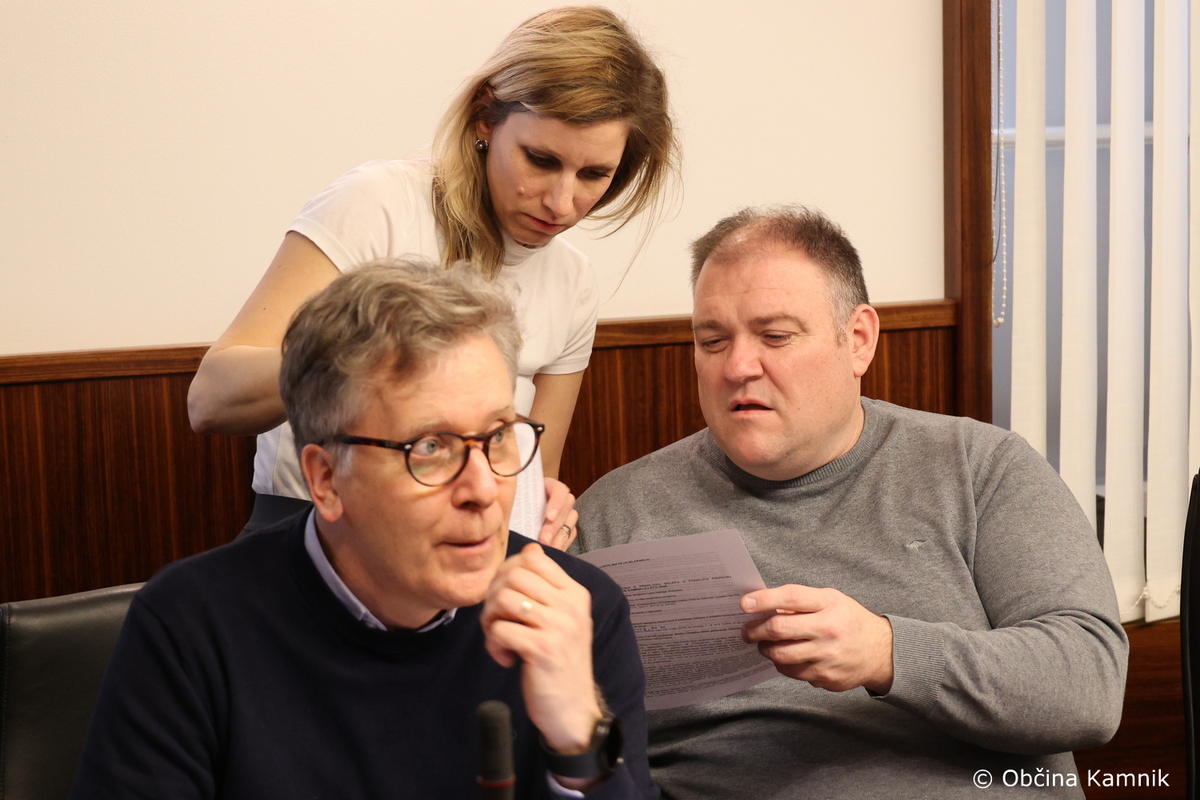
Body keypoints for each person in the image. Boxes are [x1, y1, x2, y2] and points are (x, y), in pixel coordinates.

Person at [572, 207, 1128, 798]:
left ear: (858, 340)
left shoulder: (980, 468)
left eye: (776, 336)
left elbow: (1088, 688)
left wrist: (886, 652)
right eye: (712, 341)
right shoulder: (614, 515)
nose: (737, 367)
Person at [72, 262, 657, 799]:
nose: (483, 489)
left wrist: (581, 744)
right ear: (326, 479)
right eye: (430, 448)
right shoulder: (192, 625)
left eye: (498, 436)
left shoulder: (573, 610)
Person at [187, 6, 678, 547]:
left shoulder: (573, 282)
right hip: (312, 534)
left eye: (594, 174)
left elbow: (534, 472)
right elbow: (210, 400)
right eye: (540, 160)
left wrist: (545, 513)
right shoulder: (378, 204)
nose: (562, 203)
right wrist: (374, 353)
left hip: (464, 551)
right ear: (485, 117)